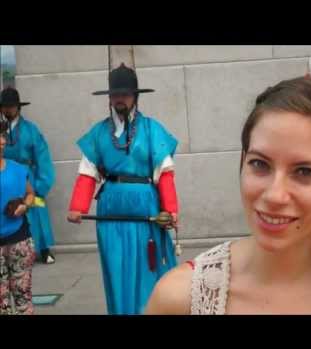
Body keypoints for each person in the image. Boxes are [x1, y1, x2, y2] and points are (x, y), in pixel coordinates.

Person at [145, 77, 311, 315]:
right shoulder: (180, 299)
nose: (274, 195)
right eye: (260, 164)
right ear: (242, 162)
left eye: (305, 171)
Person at [67, 63, 180, 315]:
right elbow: (87, 174)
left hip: (145, 212)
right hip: (110, 216)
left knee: (147, 270)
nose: (120, 99)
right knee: (117, 269)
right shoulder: (98, 133)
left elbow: (165, 174)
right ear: (109, 98)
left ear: (135, 97)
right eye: (115, 94)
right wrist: (77, 207)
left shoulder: (152, 129)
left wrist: (170, 210)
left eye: (125, 94)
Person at [0, 87, 56, 264]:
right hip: (5, 176)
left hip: (28, 176)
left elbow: (43, 159)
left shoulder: (31, 130)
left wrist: (41, 184)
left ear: (18, 107)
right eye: (5, 106)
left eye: (12, 106)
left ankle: (44, 248)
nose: (8, 109)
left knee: (38, 209)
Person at [0, 120, 36, 314]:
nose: (2, 141)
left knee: (23, 296)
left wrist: (24, 205)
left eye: (3, 136)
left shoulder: (17, 169)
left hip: (19, 239)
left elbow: (31, 195)